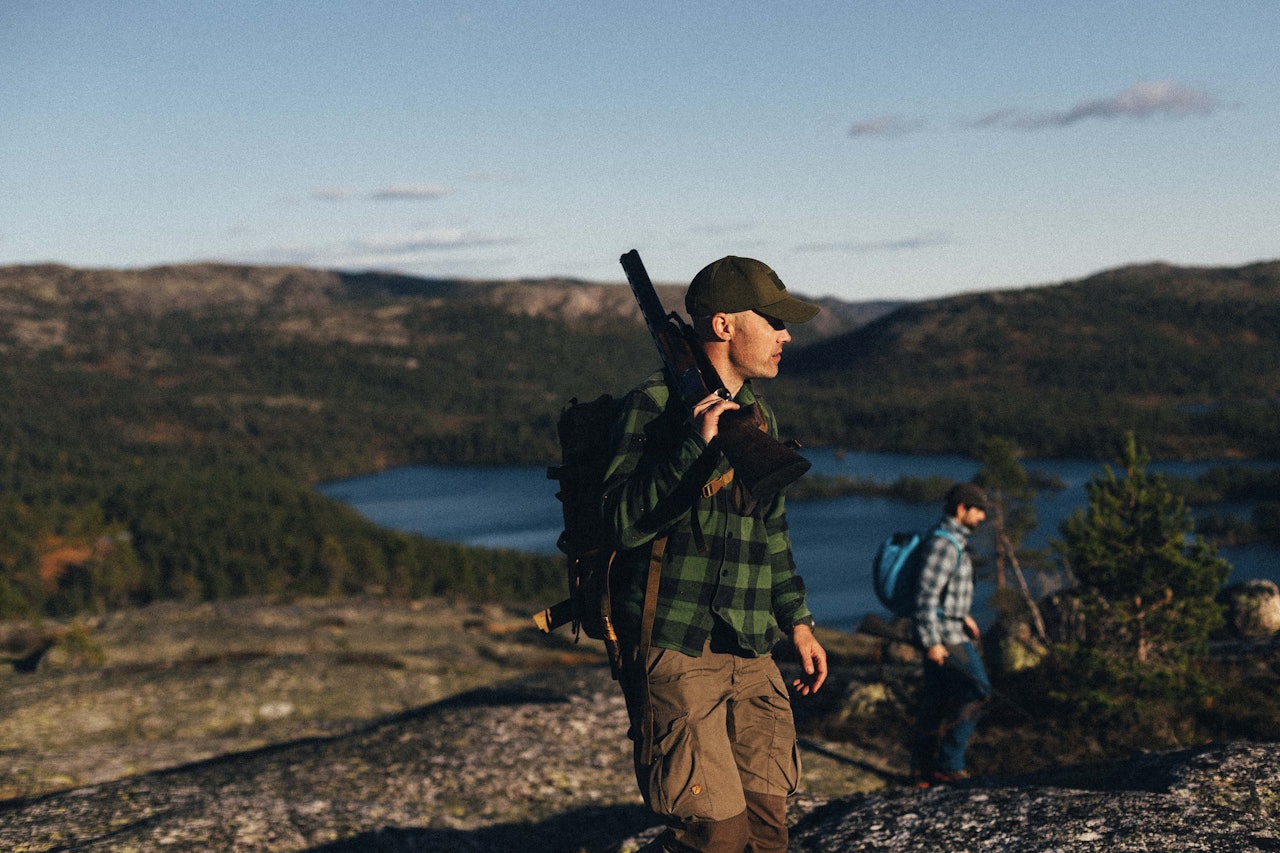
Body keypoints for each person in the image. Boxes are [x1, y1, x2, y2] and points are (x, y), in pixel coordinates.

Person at [602, 256, 828, 853]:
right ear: (724, 326)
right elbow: (620, 524)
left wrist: (798, 623)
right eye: (773, 322)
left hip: (752, 644)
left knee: (769, 826)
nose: (785, 335)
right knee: (717, 836)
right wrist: (690, 450)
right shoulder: (652, 408)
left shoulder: (759, 414)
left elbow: (769, 531)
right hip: (677, 645)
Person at [911, 481, 992, 786]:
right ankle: (948, 765)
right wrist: (932, 642)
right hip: (944, 637)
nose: (982, 517)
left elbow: (943, 592)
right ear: (961, 509)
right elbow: (925, 597)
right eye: (978, 510)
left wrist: (964, 615)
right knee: (979, 690)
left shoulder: (953, 541)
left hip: (951, 628)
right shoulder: (944, 544)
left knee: (936, 699)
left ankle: (923, 770)